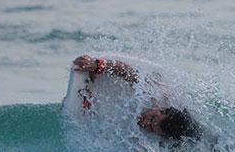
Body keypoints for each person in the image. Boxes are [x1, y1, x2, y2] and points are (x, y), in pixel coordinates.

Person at [71, 55, 199, 140]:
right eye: (152, 117)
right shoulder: (157, 94)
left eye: (151, 128)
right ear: (162, 108)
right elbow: (127, 71)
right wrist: (96, 65)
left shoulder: (166, 137)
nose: (145, 123)